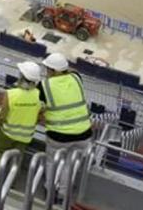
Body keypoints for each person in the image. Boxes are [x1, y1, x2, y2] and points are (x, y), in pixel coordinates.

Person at [40, 53, 93, 191]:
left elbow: (38, 107)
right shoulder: (76, 78)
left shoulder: (45, 85)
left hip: (59, 135)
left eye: (48, 69)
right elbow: (73, 72)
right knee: (69, 164)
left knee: (52, 161)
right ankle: (63, 192)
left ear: (52, 70)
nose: (46, 72)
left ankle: (50, 189)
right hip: (84, 134)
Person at [0, 61, 43, 175]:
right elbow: (40, 115)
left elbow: (2, 116)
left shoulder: (11, 94)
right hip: (25, 136)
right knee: (17, 159)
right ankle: (11, 183)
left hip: (7, 133)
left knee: (0, 154)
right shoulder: (39, 95)